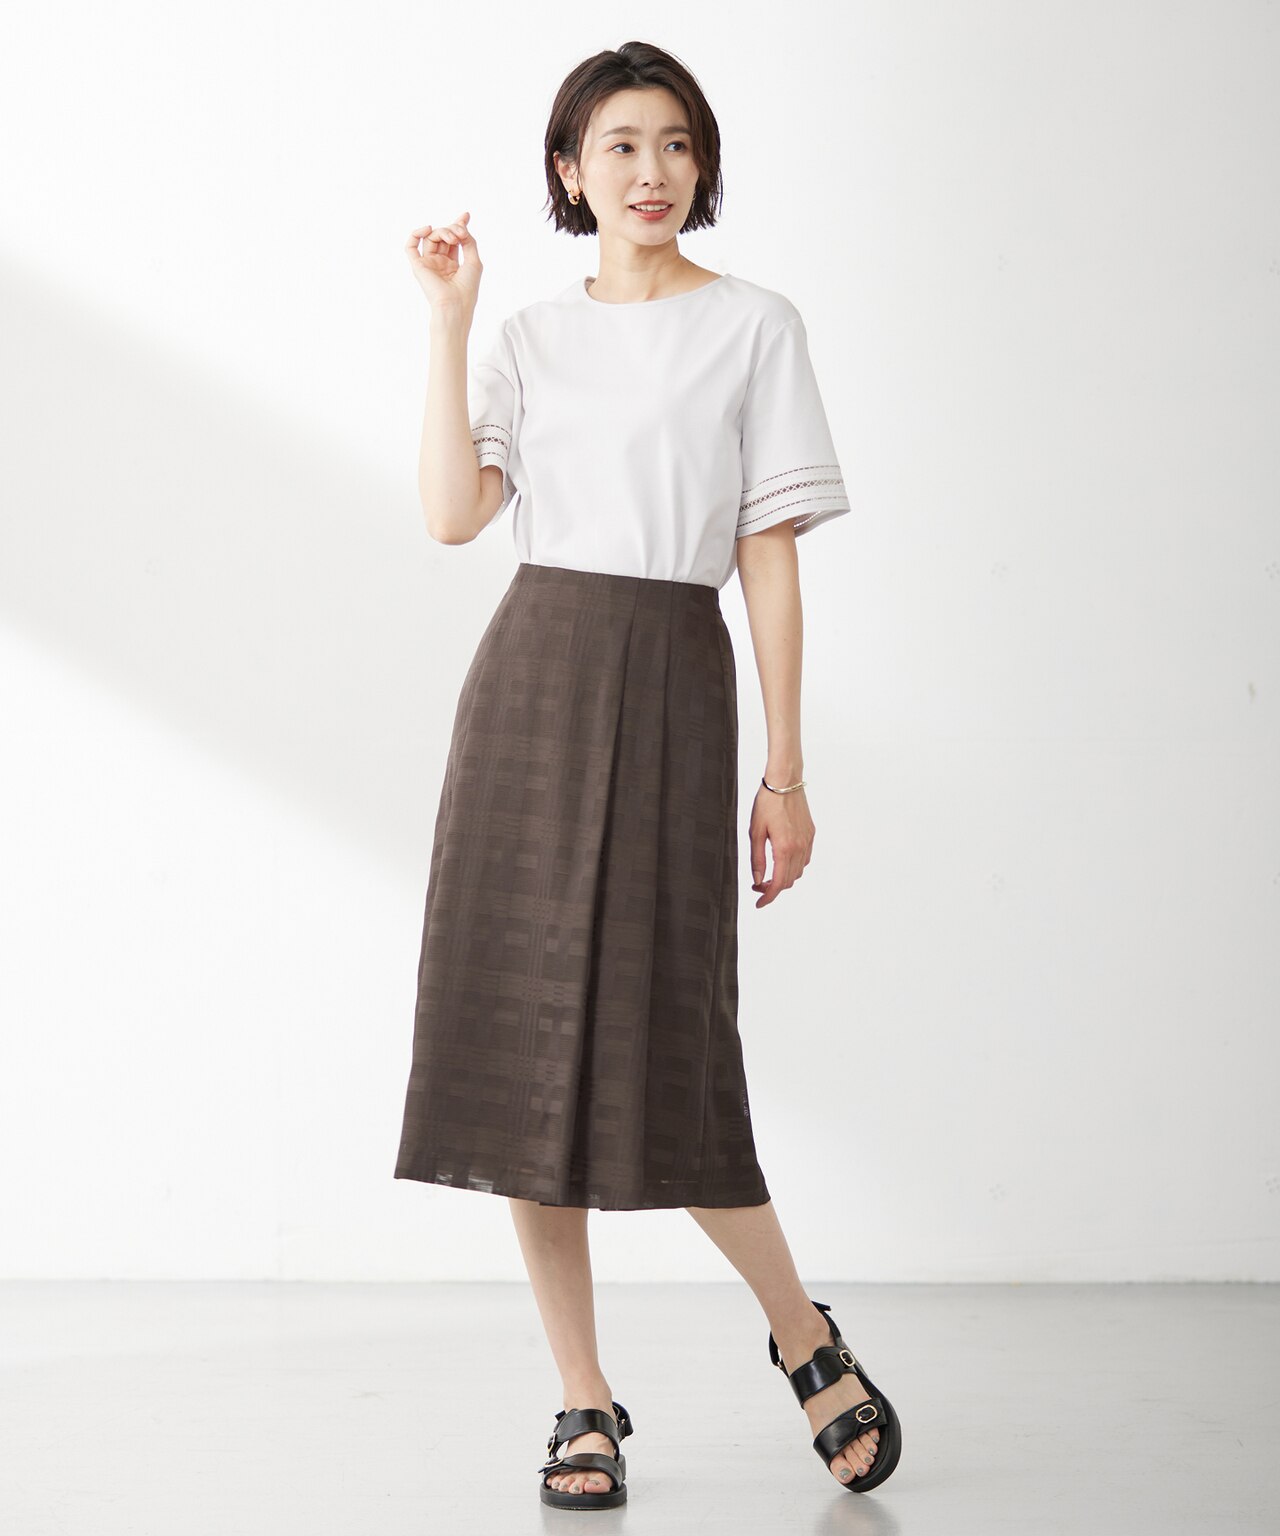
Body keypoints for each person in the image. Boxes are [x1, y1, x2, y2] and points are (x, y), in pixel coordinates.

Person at [395, 39, 902, 1510]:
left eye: (675, 143)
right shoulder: (530, 336)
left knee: (672, 1044)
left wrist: (786, 771)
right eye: (618, 145)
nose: (651, 171)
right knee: (523, 1055)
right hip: (533, 681)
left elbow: (768, 558)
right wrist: (448, 324)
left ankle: (802, 1334)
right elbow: (451, 516)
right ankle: (582, 1398)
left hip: (677, 678)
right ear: (570, 171)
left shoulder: (753, 327)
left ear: (702, 163)